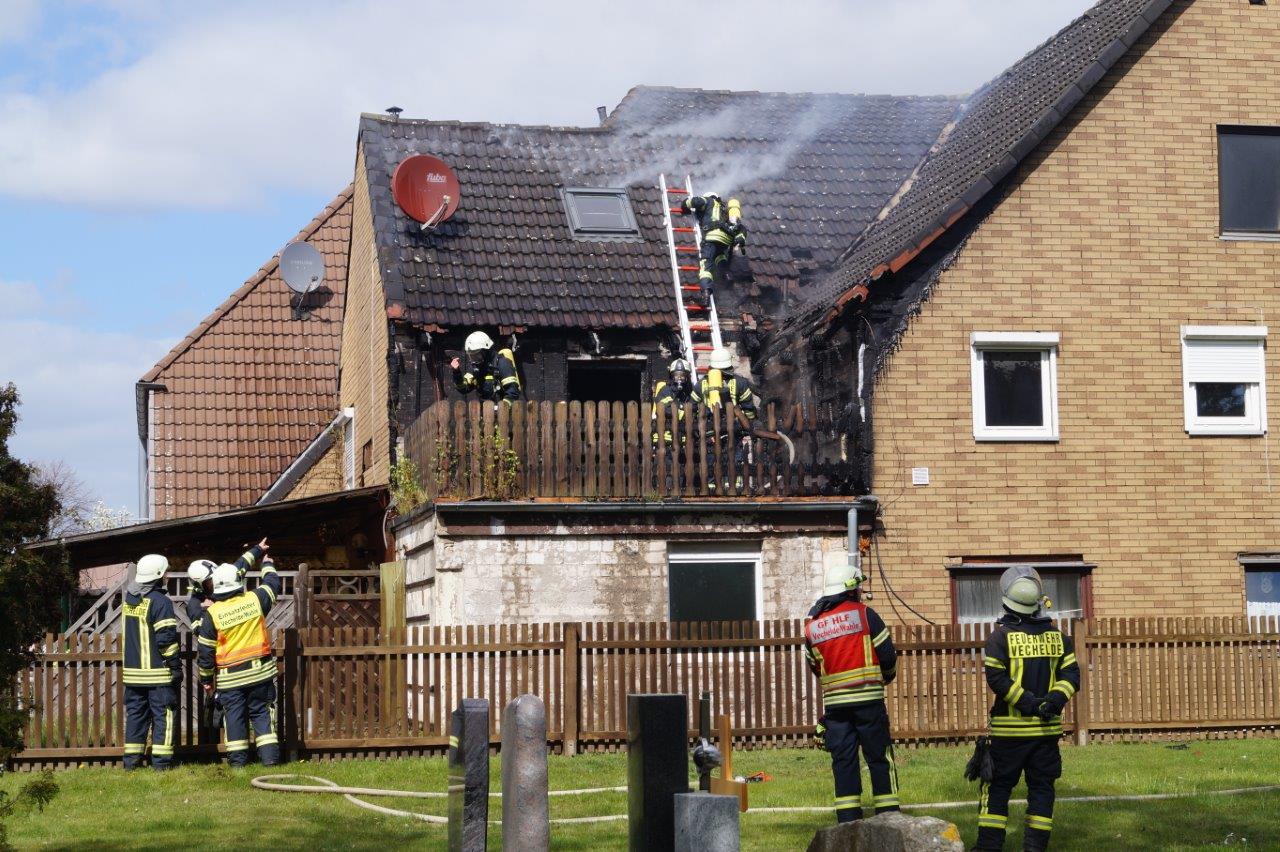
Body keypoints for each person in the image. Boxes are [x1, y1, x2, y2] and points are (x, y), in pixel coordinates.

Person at [975, 567, 1080, 852]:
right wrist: (1052, 702)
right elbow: (1072, 677)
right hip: (1045, 734)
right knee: (1042, 790)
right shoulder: (1059, 638)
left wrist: (1029, 703)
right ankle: (1035, 848)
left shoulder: (999, 638)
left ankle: (988, 848)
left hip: (1009, 735)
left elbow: (998, 680)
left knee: (997, 789)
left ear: (1008, 604)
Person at [804, 555, 899, 823]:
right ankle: (889, 817)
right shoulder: (866, 615)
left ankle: (847, 821)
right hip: (869, 702)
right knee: (879, 758)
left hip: (836, 707)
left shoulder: (812, 627)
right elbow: (887, 656)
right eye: (858, 587)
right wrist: (886, 678)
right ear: (851, 589)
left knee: (843, 761)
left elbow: (815, 665)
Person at [197, 538, 283, 767]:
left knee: (234, 720)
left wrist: (206, 680)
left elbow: (205, 651)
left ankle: (238, 765)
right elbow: (272, 584)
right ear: (238, 582)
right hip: (260, 675)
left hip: (230, 680)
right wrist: (267, 563)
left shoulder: (212, 614)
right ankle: (270, 761)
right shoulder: (255, 599)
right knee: (262, 716)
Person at [121, 553, 181, 770]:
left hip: (133, 675)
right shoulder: (160, 602)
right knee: (164, 717)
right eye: (165, 573)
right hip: (157, 675)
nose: (167, 576)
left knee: (136, 718)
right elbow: (166, 639)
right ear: (157, 576)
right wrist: (175, 666)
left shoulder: (129, 600)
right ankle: (162, 765)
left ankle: (131, 763)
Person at [678, 192, 746, 304]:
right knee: (720, 256)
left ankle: (706, 293)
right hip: (725, 240)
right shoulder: (724, 209)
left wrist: (685, 203)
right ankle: (726, 274)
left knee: (706, 265)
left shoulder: (709, 201)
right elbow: (740, 228)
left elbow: (696, 201)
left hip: (712, 237)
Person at [450, 331, 521, 403]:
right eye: (471, 355)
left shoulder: (502, 362)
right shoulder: (476, 367)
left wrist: (502, 407)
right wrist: (456, 372)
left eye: (476, 354)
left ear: (485, 351)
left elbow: (513, 392)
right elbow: (463, 388)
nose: (473, 358)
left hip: (502, 407)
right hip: (485, 408)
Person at [652, 358, 696, 446]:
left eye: (682, 376)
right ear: (671, 376)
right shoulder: (665, 391)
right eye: (676, 375)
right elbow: (666, 410)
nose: (679, 379)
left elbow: (695, 407)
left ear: (687, 377)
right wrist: (683, 409)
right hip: (665, 439)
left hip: (684, 440)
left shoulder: (689, 392)